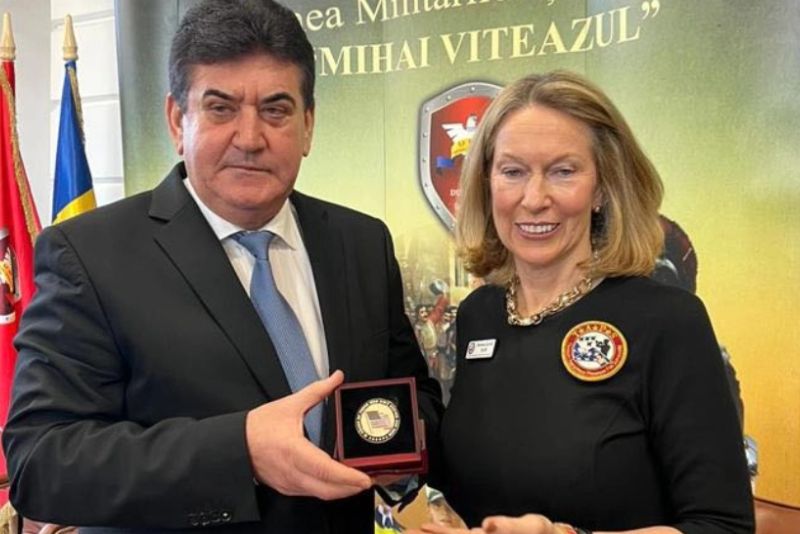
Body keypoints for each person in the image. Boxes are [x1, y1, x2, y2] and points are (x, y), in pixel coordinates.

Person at [2, 1, 442, 532]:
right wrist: (240, 452)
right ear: (176, 120)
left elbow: (413, 400)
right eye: (220, 108)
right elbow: (42, 461)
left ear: (307, 125)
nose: (250, 138)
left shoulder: (361, 242)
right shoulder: (89, 254)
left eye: (276, 110)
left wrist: (397, 448)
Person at [415, 71, 754, 533]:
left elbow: (724, 526)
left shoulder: (669, 321)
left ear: (602, 188)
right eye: (513, 172)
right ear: (486, 183)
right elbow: (493, 472)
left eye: (563, 171)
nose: (534, 199)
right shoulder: (481, 314)